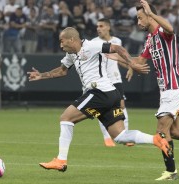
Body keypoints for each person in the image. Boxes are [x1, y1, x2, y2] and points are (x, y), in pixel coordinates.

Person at [27, 27, 170, 172]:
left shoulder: (90, 46)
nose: (60, 45)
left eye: (62, 41)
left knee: (66, 118)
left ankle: (61, 160)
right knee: (120, 136)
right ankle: (155, 139)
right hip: (110, 94)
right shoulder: (71, 54)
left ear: (72, 39)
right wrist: (42, 75)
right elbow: (62, 71)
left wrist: (131, 64)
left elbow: (117, 48)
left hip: (99, 92)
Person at [107, 0, 179, 180]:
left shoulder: (163, 32)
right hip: (166, 90)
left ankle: (171, 171)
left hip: (174, 87)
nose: (138, 22)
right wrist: (113, 56)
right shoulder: (150, 40)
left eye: (140, 18)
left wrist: (151, 14)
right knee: (174, 132)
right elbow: (139, 62)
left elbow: (170, 28)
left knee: (161, 130)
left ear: (149, 16)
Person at [92, 18, 134, 147]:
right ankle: (107, 138)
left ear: (108, 27)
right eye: (97, 26)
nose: (98, 28)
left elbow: (119, 59)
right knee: (102, 108)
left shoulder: (117, 41)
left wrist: (130, 67)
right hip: (101, 80)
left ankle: (125, 136)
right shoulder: (93, 43)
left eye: (101, 26)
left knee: (121, 105)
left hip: (115, 78)